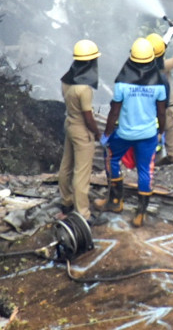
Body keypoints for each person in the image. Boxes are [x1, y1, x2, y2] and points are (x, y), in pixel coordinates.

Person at [96, 38, 167, 227]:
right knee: (145, 171)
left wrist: (107, 134)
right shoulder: (159, 85)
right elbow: (161, 112)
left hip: (125, 134)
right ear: (152, 59)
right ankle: (140, 214)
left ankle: (116, 201)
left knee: (112, 158)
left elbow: (114, 111)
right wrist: (161, 132)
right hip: (148, 136)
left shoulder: (121, 85)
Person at [57, 40, 103, 225]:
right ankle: (83, 213)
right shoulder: (84, 89)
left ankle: (66, 201)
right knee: (82, 172)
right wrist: (97, 133)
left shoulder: (66, 81)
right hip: (81, 130)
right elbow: (88, 117)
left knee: (66, 165)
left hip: (69, 124)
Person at [147, 27, 173, 166]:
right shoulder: (162, 66)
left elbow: (158, 48)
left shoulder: (142, 64)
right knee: (170, 136)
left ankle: (152, 164)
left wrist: (170, 33)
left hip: (149, 109)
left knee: (151, 141)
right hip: (165, 109)